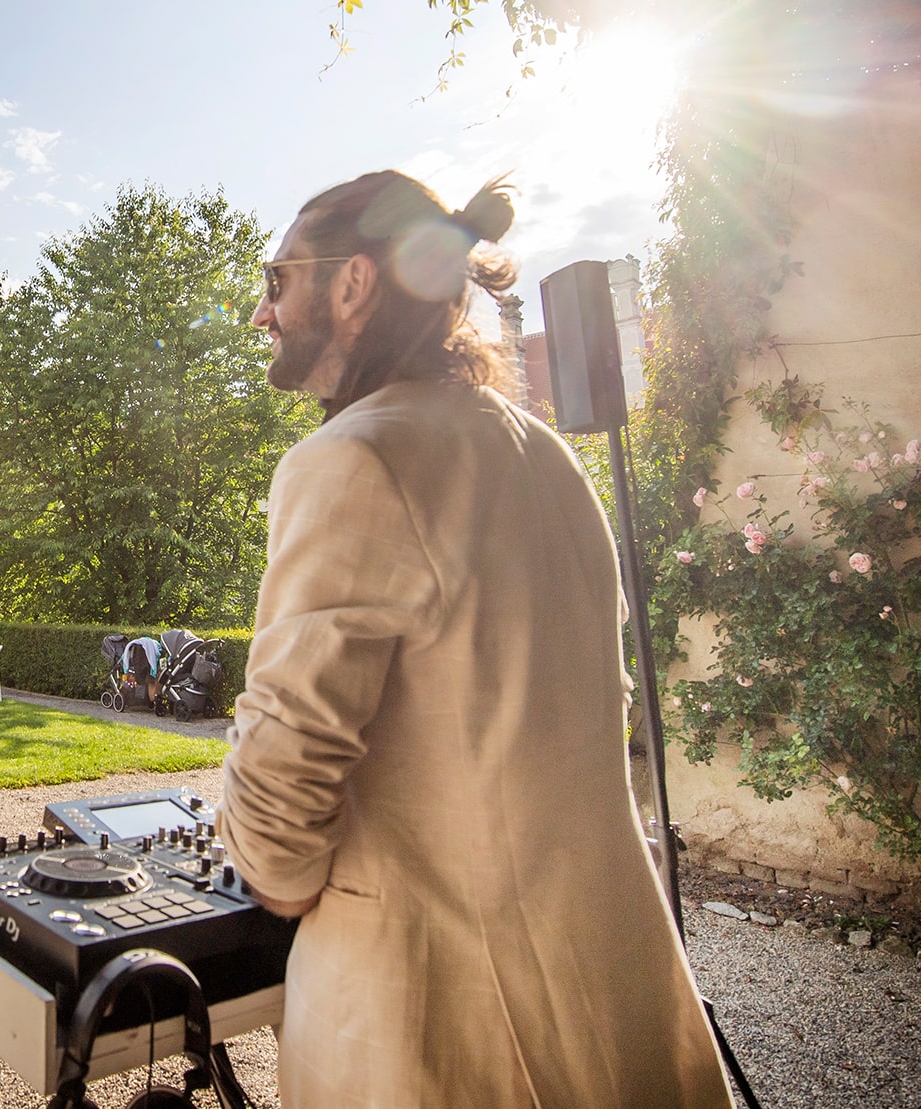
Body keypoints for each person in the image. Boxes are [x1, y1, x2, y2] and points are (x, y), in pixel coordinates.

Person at [218, 171, 730, 1107]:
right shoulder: (551, 457)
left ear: (351, 285)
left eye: (276, 277)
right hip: (619, 1003)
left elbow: (280, 842)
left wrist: (250, 849)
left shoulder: (349, 459)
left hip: (447, 1032)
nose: (262, 311)